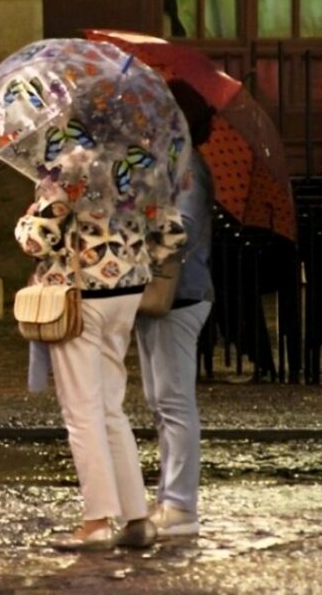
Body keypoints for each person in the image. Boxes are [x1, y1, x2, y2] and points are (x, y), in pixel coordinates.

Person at [15, 166, 186, 551]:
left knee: (82, 411)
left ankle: (96, 522)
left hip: (81, 296)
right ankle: (136, 518)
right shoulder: (142, 165)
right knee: (110, 407)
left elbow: (37, 243)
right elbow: (174, 233)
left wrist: (26, 221)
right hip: (126, 293)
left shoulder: (67, 169)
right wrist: (134, 260)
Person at [134, 79, 215, 537]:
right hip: (160, 293)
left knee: (173, 402)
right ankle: (169, 496)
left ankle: (181, 505)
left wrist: (138, 217)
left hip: (179, 293)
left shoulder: (187, 169)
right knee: (160, 401)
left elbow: (180, 226)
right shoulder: (172, 166)